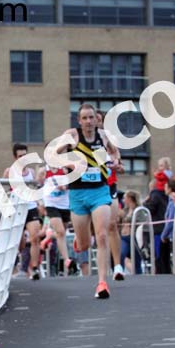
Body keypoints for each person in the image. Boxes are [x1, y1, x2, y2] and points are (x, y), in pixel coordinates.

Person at [58, 103, 121, 298]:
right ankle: (80, 241)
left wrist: (115, 162)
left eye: (91, 117)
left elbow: (115, 152)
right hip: (78, 194)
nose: (88, 121)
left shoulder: (103, 136)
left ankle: (102, 283)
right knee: (85, 244)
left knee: (102, 236)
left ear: (96, 118)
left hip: (100, 192)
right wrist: (70, 163)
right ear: (79, 121)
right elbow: (52, 154)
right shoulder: (73, 135)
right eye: (84, 118)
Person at [4, 143, 42, 280]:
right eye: (20, 156)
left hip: (30, 207)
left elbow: (37, 188)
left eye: (25, 155)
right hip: (17, 209)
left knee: (35, 237)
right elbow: (5, 192)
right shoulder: (9, 172)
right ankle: (16, 264)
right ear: (15, 157)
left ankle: (35, 268)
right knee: (19, 243)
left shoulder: (31, 172)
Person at [97, 111, 126, 281]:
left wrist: (116, 167)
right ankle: (103, 265)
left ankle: (117, 266)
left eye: (100, 121)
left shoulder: (111, 142)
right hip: (93, 188)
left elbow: (121, 166)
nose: (97, 123)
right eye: (95, 120)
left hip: (109, 185)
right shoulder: (86, 142)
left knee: (112, 225)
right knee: (100, 230)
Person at [39, 163, 72, 275]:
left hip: (65, 205)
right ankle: (67, 259)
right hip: (51, 204)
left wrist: (65, 185)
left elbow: (71, 183)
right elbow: (38, 183)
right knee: (61, 232)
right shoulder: (43, 170)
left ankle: (48, 237)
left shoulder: (65, 168)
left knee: (62, 232)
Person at [159, 178, 175, 273]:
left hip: (174, 232)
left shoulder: (172, 201)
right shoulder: (173, 200)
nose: (164, 189)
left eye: (166, 187)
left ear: (170, 188)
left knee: (166, 251)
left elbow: (171, 220)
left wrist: (164, 235)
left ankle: (167, 272)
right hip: (174, 232)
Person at [120, 190, 143, 274]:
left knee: (137, 261)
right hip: (124, 237)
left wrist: (129, 220)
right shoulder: (125, 210)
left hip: (134, 237)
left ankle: (139, 276)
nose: (123, 200)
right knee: (122, 254)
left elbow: (141, 221)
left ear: (129, 199)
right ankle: (120, 272)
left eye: (124, 198)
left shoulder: (139, 210)